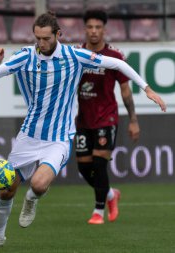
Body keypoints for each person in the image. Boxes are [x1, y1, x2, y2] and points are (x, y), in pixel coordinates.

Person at [0, 11, 166, 248]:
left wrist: (146, 88)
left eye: (46, 38)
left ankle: (32, 200)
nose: (41, 43)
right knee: (6, 189)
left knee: (38, 184)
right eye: (37, 38)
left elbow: (117, 63)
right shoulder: (26, 55)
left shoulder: (74, 55)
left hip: (59, 139)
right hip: (29, 136)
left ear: (58, 34)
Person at [75, 10, 139, 225]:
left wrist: (133, 120)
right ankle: (111, 194)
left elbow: (125, 90)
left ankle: (98, 211)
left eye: (98, 27)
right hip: (83, 119)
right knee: (84, 166)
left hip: (106, 117)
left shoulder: (114, 56)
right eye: (90, 27)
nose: (94, 31)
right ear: (85, 29)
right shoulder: (77, 53)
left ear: (104, 29)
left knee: (99, 164)